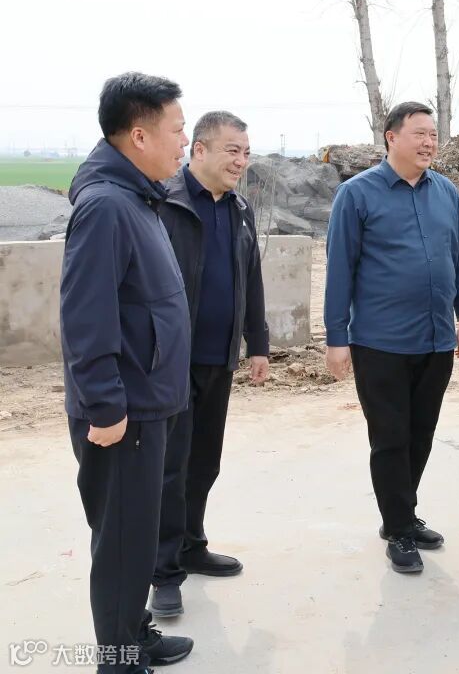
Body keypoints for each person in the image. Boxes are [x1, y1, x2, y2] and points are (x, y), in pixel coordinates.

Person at [61, 72, 194, 673]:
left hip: (146, 400)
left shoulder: (138, 198)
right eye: (177, 129)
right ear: (139, 135)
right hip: (124, 412)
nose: (184, 140)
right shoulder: (106, 207)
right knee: (120, 543)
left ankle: (132, 632)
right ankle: (118, 660)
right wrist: (106, 406)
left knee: (134, 536)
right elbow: (85, 318)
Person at [324, 101, 459, 575]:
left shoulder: (446, 192)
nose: (429, 142)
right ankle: (398, 529)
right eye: (419, 133)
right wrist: (336, 337)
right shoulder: (357, 194)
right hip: (380, 342)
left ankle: (403, 514)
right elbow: (339, 268)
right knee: (390, 438)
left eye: (433, 134)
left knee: (421, 434)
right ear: (391, 137)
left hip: (435, 340)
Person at [149, 111, 269, 618]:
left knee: (204, 462)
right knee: (169, 469)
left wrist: (257, 342)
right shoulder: (165, 203)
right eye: (231, 151)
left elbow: (251, 275)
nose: (241, 161)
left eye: (246, 152)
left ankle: (191, 545)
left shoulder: (239, 209)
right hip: (171, 363)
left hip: (220, 360)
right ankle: (162, 572)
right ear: (199, 150)